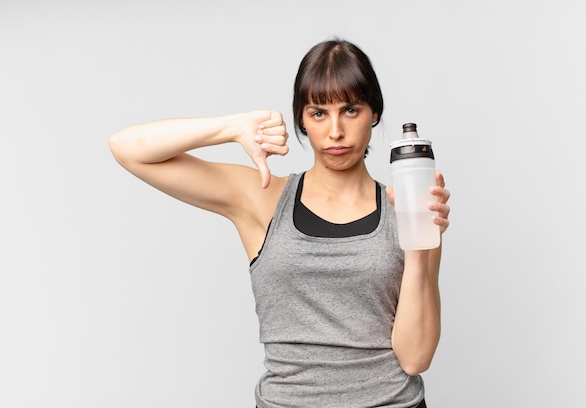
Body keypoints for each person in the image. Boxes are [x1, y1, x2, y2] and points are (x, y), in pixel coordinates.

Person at [109, 39, 450, 408]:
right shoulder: (264, 197)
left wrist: (418, 245)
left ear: (374, 114)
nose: (335, 131)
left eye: (350, 110)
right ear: (301, 119)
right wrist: (233, 127)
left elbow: (416, 358)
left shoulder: (410, 210)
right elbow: (127, 148)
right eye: (318, 113)